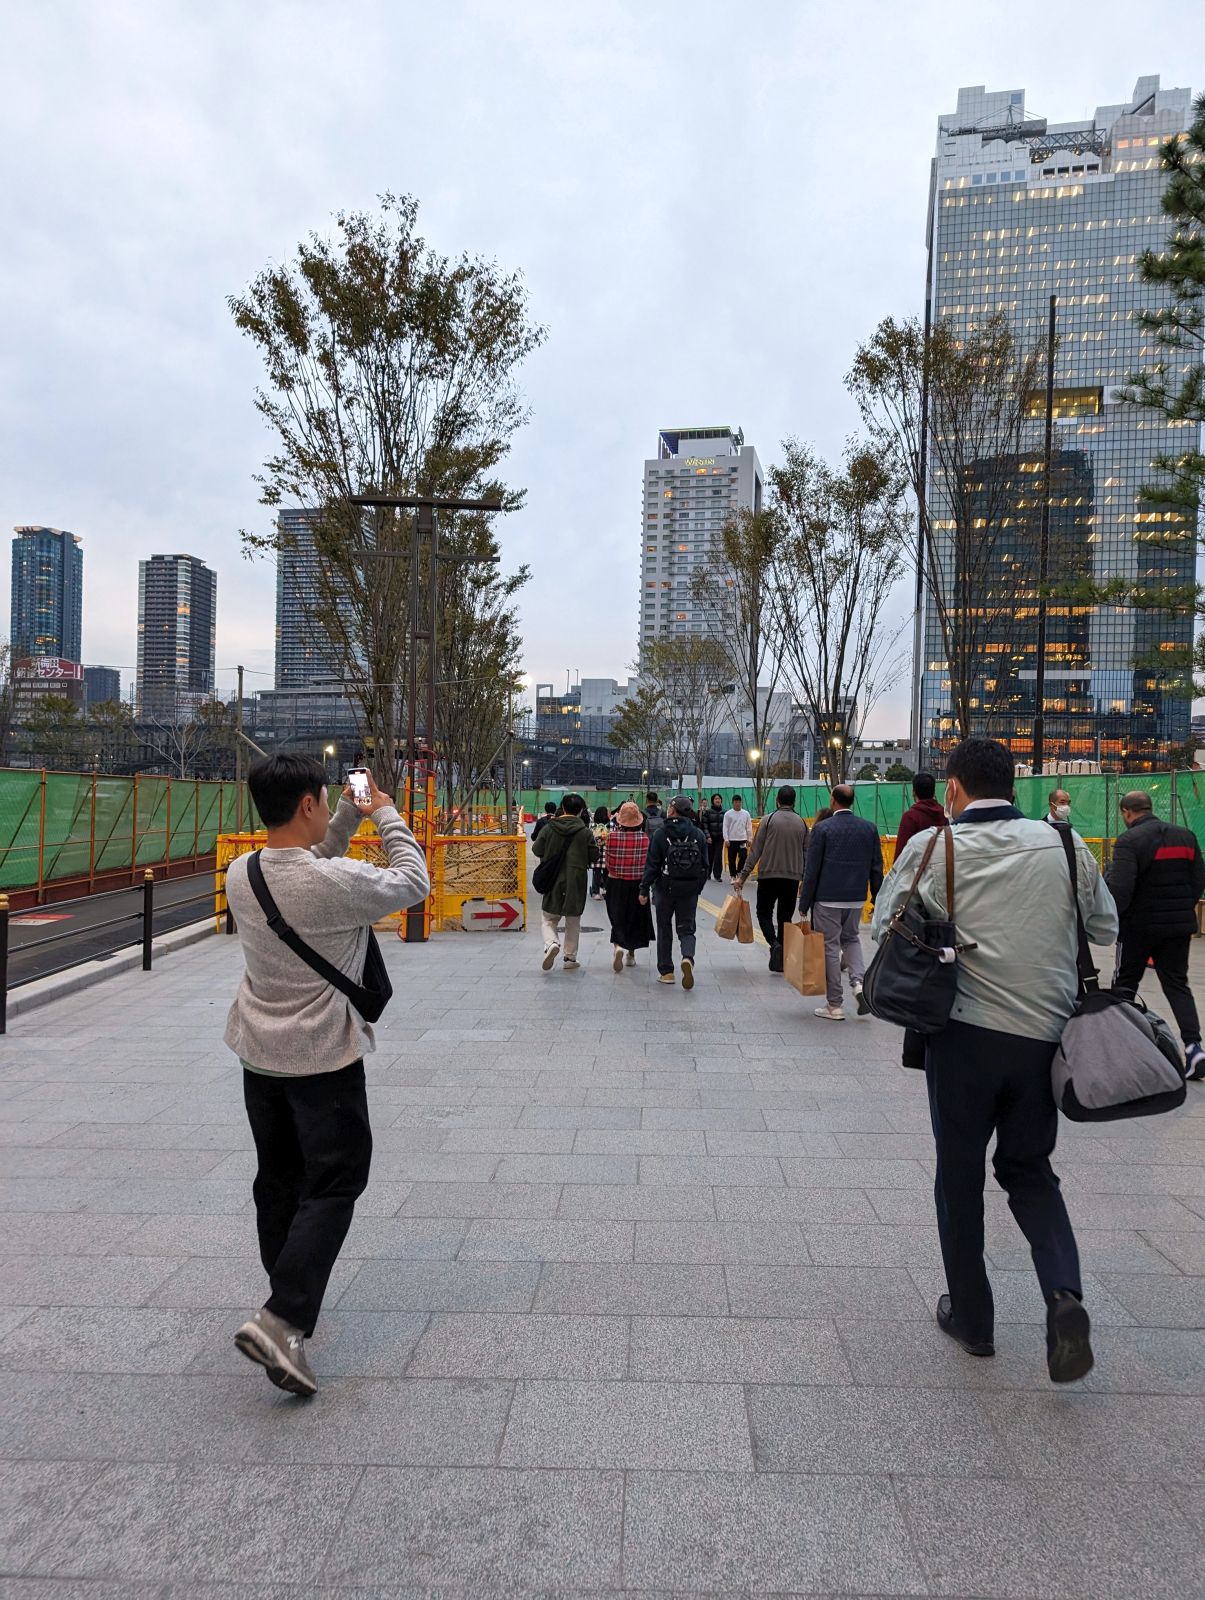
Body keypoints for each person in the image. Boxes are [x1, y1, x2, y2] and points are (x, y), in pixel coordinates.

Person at [872, 738, 1118, 1384]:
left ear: (951, 789)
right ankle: (1062, 1294)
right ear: (1016, 785)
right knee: (1030, 1168)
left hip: (962, 1035)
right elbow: (1103, 928)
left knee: (959, 1174)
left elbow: (883, 930)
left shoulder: (933, 847)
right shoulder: (1065, 844)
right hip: (1045, 1039)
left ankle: (973, 1319)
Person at [224, 755, 430, 1396]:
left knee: (279, 1176)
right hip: (321, 1059)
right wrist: (385, 811)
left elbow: (314, 863)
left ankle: (283, 1294)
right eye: (323, 800)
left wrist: (344, 813)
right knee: (338, 1179)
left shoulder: (242, 872)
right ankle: (283, 1318)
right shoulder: (333, 884)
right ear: (307, 804)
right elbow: (414, 879)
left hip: (259, 1053)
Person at [1107, 789, 1205, 1080]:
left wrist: (1113, 919)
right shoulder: (1186, 836)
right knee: (1177, 984)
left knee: (1125, 984)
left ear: (1126, 812)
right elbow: (1198, 880)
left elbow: (1121, 890)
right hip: (1177, 927)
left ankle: (1119, 1048)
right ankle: (1193, 1047)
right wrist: (1179, 910)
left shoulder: (1128, 841)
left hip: (1138, 927)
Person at [799, 784, 883, 1019]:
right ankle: (858, 984)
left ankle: (834, 1004)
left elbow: (812, 869)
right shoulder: (869, 829)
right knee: (851, 939)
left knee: (830, 947)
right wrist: (877, 899)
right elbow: (877, 868)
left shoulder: (823, 829)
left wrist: (804, 903)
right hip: (856, 898)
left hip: (827, 899)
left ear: (833, 800)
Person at [732, 785, 808, 972]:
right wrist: (805, 878)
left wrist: (743, 876)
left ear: (777, 800)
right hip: (791, 878)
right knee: (785, 917)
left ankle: (774, 944)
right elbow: (807, 853)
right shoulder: (802, 823)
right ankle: (780, 957)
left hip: (768, 875)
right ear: (794, 801)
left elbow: (755, 851)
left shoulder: (768, 820)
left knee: (763, 912)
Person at [640, 794, 710, 988]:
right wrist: (697, 887)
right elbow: (705, 865)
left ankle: (667, 971)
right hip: (689, 890)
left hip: (665, 887)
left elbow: (652, 865)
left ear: (671, 810)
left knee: (664, 928)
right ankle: (687, 957)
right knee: (687, 928)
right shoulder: (698, 834)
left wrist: (644, 888)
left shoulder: (661, 834)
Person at [531, 792, 599, 972]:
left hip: (553, 877)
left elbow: (537, 849)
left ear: (562, 807)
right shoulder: (585, 832)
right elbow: (594, 856)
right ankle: (570, 957)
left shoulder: (549, 828)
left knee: (548, 918)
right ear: (581, 811)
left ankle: (551, 943)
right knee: (573, 919)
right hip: (576, 879)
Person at [604, 799, 655, 971]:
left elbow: (608, 863)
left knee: (617, 916)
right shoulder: (645, 839)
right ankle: (631, 954)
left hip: (615, 882)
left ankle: (617, 945)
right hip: (638, 884)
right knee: (634, 918)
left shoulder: (611, 837)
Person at [895, 772, 948, 853]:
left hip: (917, 864)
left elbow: (900, 853)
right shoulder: (945, 814)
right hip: (942, 864)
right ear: (933, 792)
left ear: (913, 792)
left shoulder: (910, 817)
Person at [723, 794, 753, 878]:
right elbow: (725, 827)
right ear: (733, 803)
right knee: (731, 859)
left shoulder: (746, 813)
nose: (738, 803)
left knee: (743, 856)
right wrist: (726, 839)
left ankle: (739, 871)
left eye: (739, 802)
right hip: (731, 840)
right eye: (736, 802)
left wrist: (749, 839)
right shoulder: (728, 814)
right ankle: (733, 875)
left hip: (742, 839)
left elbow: (749, 827)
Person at [701, 794, 727, 880]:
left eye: (719, 798)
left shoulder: (725, 812)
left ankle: (717, 875)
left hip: (720, 838)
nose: (717, 800)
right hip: (710, 838)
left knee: (718, 856)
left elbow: (727, 826)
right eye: (716, 799)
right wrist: (707, 836)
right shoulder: (707, 812)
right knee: (709, 856)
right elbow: (704, 826)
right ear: (713, 801)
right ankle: (707, 874)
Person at [590, 803, 610, 900]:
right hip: (608, 853)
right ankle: (606, 890)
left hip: (596, 852)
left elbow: (590, 838)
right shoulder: (611, 825)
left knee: (596, 873)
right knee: (607, 872)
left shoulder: (593, 825)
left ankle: (596, 892)